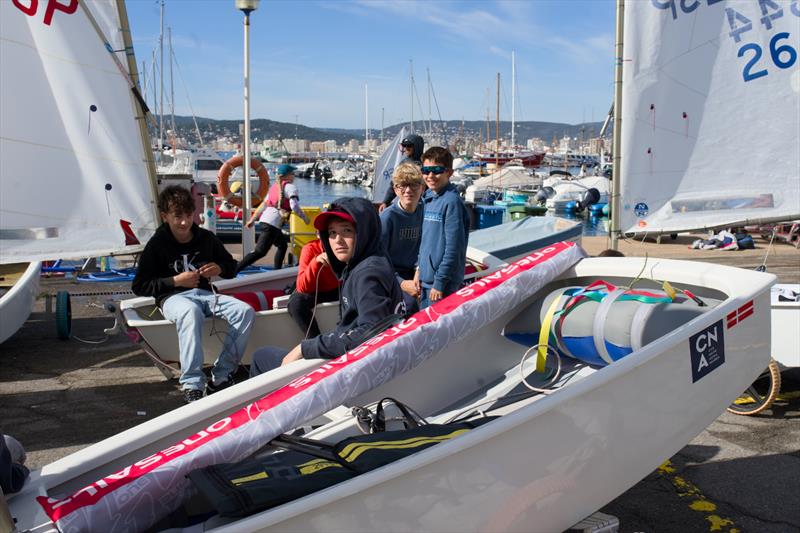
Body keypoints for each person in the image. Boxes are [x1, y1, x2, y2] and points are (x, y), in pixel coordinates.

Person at [250, 197, 404, 376]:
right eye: (332, 233)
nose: (337, 240)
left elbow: (371, 332)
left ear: (364, 232)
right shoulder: (370, 261)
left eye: (346, 231)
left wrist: (305, 348)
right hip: (352, 360)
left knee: (260, 357)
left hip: (347, 371)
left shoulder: (368, 274)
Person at [132, 186, 255, 403]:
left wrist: (219, 268)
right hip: (172, 298)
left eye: (188, 215)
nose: (184, 222)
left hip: (206, 295)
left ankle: (221, 376)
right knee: (190, 312)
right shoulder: (157, 244)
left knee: (244, 311)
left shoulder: (206, 238)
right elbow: (140, 285)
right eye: (177, 216)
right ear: (165, 216)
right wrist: (175, 281)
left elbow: (231, 267)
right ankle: (192, 383)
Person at [415, 146, 470, 309]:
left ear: (449, 173)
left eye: (437, 170)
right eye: (426, 170)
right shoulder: (429, 198)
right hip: (426, 281)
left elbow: (454, 248)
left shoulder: (451, 202)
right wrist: (419, 270)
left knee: (435, 332)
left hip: (442, 286)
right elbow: (425, 241)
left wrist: (439, 283)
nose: (430, 175)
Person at [237, 164, 309, 273]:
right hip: (272, 224)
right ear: (288, 175)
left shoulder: (274, 187)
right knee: (260, 252)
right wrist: (304, 218)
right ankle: (235, 269)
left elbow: (263, 205)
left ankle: (277, 272)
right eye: (292, 174)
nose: (294, 176)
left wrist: (252, 220)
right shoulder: (290, 187)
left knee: (282, 245)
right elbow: (294, 206)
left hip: (265, 221)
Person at [380, 162, 424, 313]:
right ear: (395, 189)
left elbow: (427, 245)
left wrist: (419, 269)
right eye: (402, 186)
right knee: (410, 306)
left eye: (413, 185)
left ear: (422, 188)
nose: (408, 190)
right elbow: (379, 259)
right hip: (394, 273)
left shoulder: (426, 211)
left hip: (419, 269)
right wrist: (401, 283)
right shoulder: (388, 218)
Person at [287, 236, 340, 338]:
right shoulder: (310, 248)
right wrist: (316, 261)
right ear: (318, 234)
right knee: (295, 302)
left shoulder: (347, 246)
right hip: (314, 290)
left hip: (339, 288)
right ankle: (315, 342)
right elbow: (303, 287)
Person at [378, 133, 424, 212]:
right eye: (404, 145)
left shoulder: (426, 164)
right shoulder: (403, 163)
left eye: (409, 146)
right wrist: (386, 202)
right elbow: (394, 183)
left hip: (422, 206)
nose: (406, 148)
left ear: (417, 147)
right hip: (407, 206)